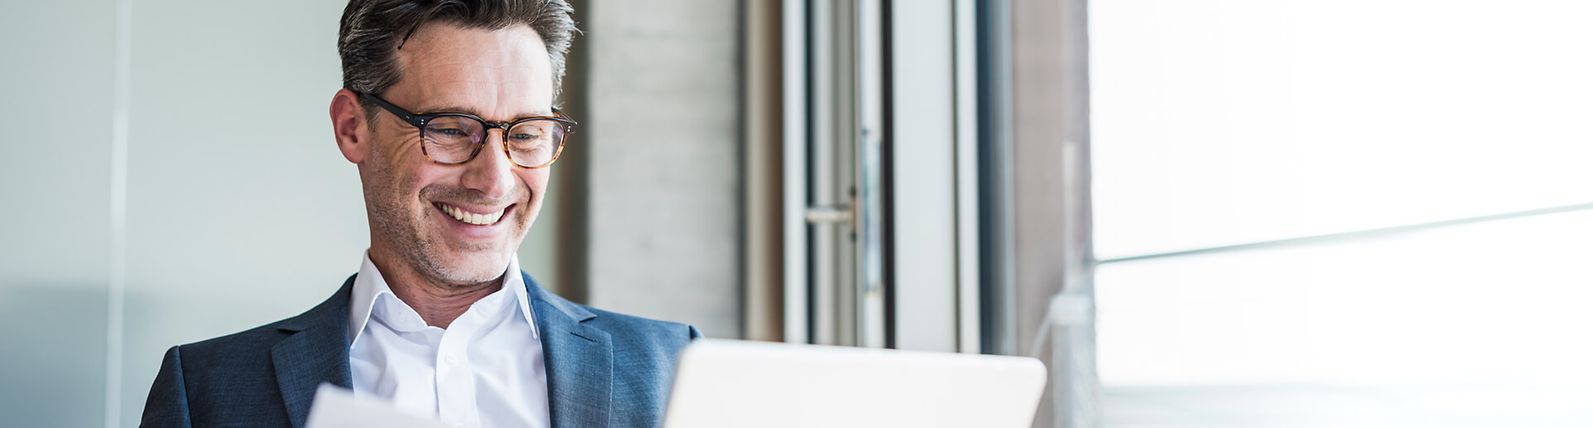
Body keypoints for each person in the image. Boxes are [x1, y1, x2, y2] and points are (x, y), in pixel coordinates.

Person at [140, 1, 700, 426]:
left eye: (526, 134)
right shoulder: (208, 392)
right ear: (353, 127)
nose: (495, 180)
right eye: (452, 130)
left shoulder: (676, 369)